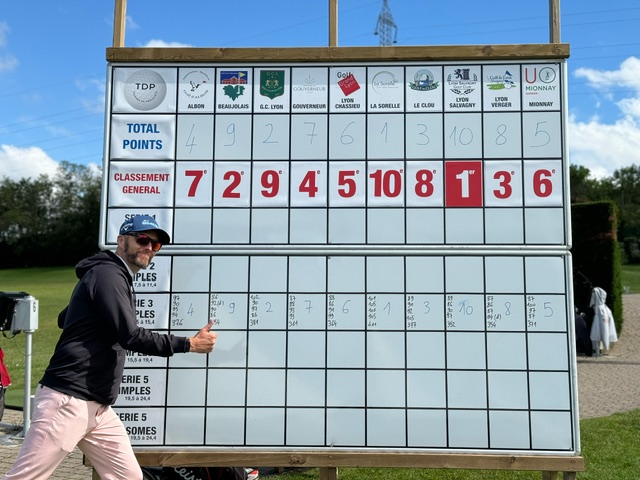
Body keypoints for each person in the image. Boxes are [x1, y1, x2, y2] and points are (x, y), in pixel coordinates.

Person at [2, 215, 217, 480]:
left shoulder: (109, 276)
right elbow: (130, 336)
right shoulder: (108, 274)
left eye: (155, 245)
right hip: (68, 400)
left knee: (129, 477)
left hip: (97, 407)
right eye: (142, 239)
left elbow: (63, 318)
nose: (149, 248)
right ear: (121, 240)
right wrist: (188, 344)